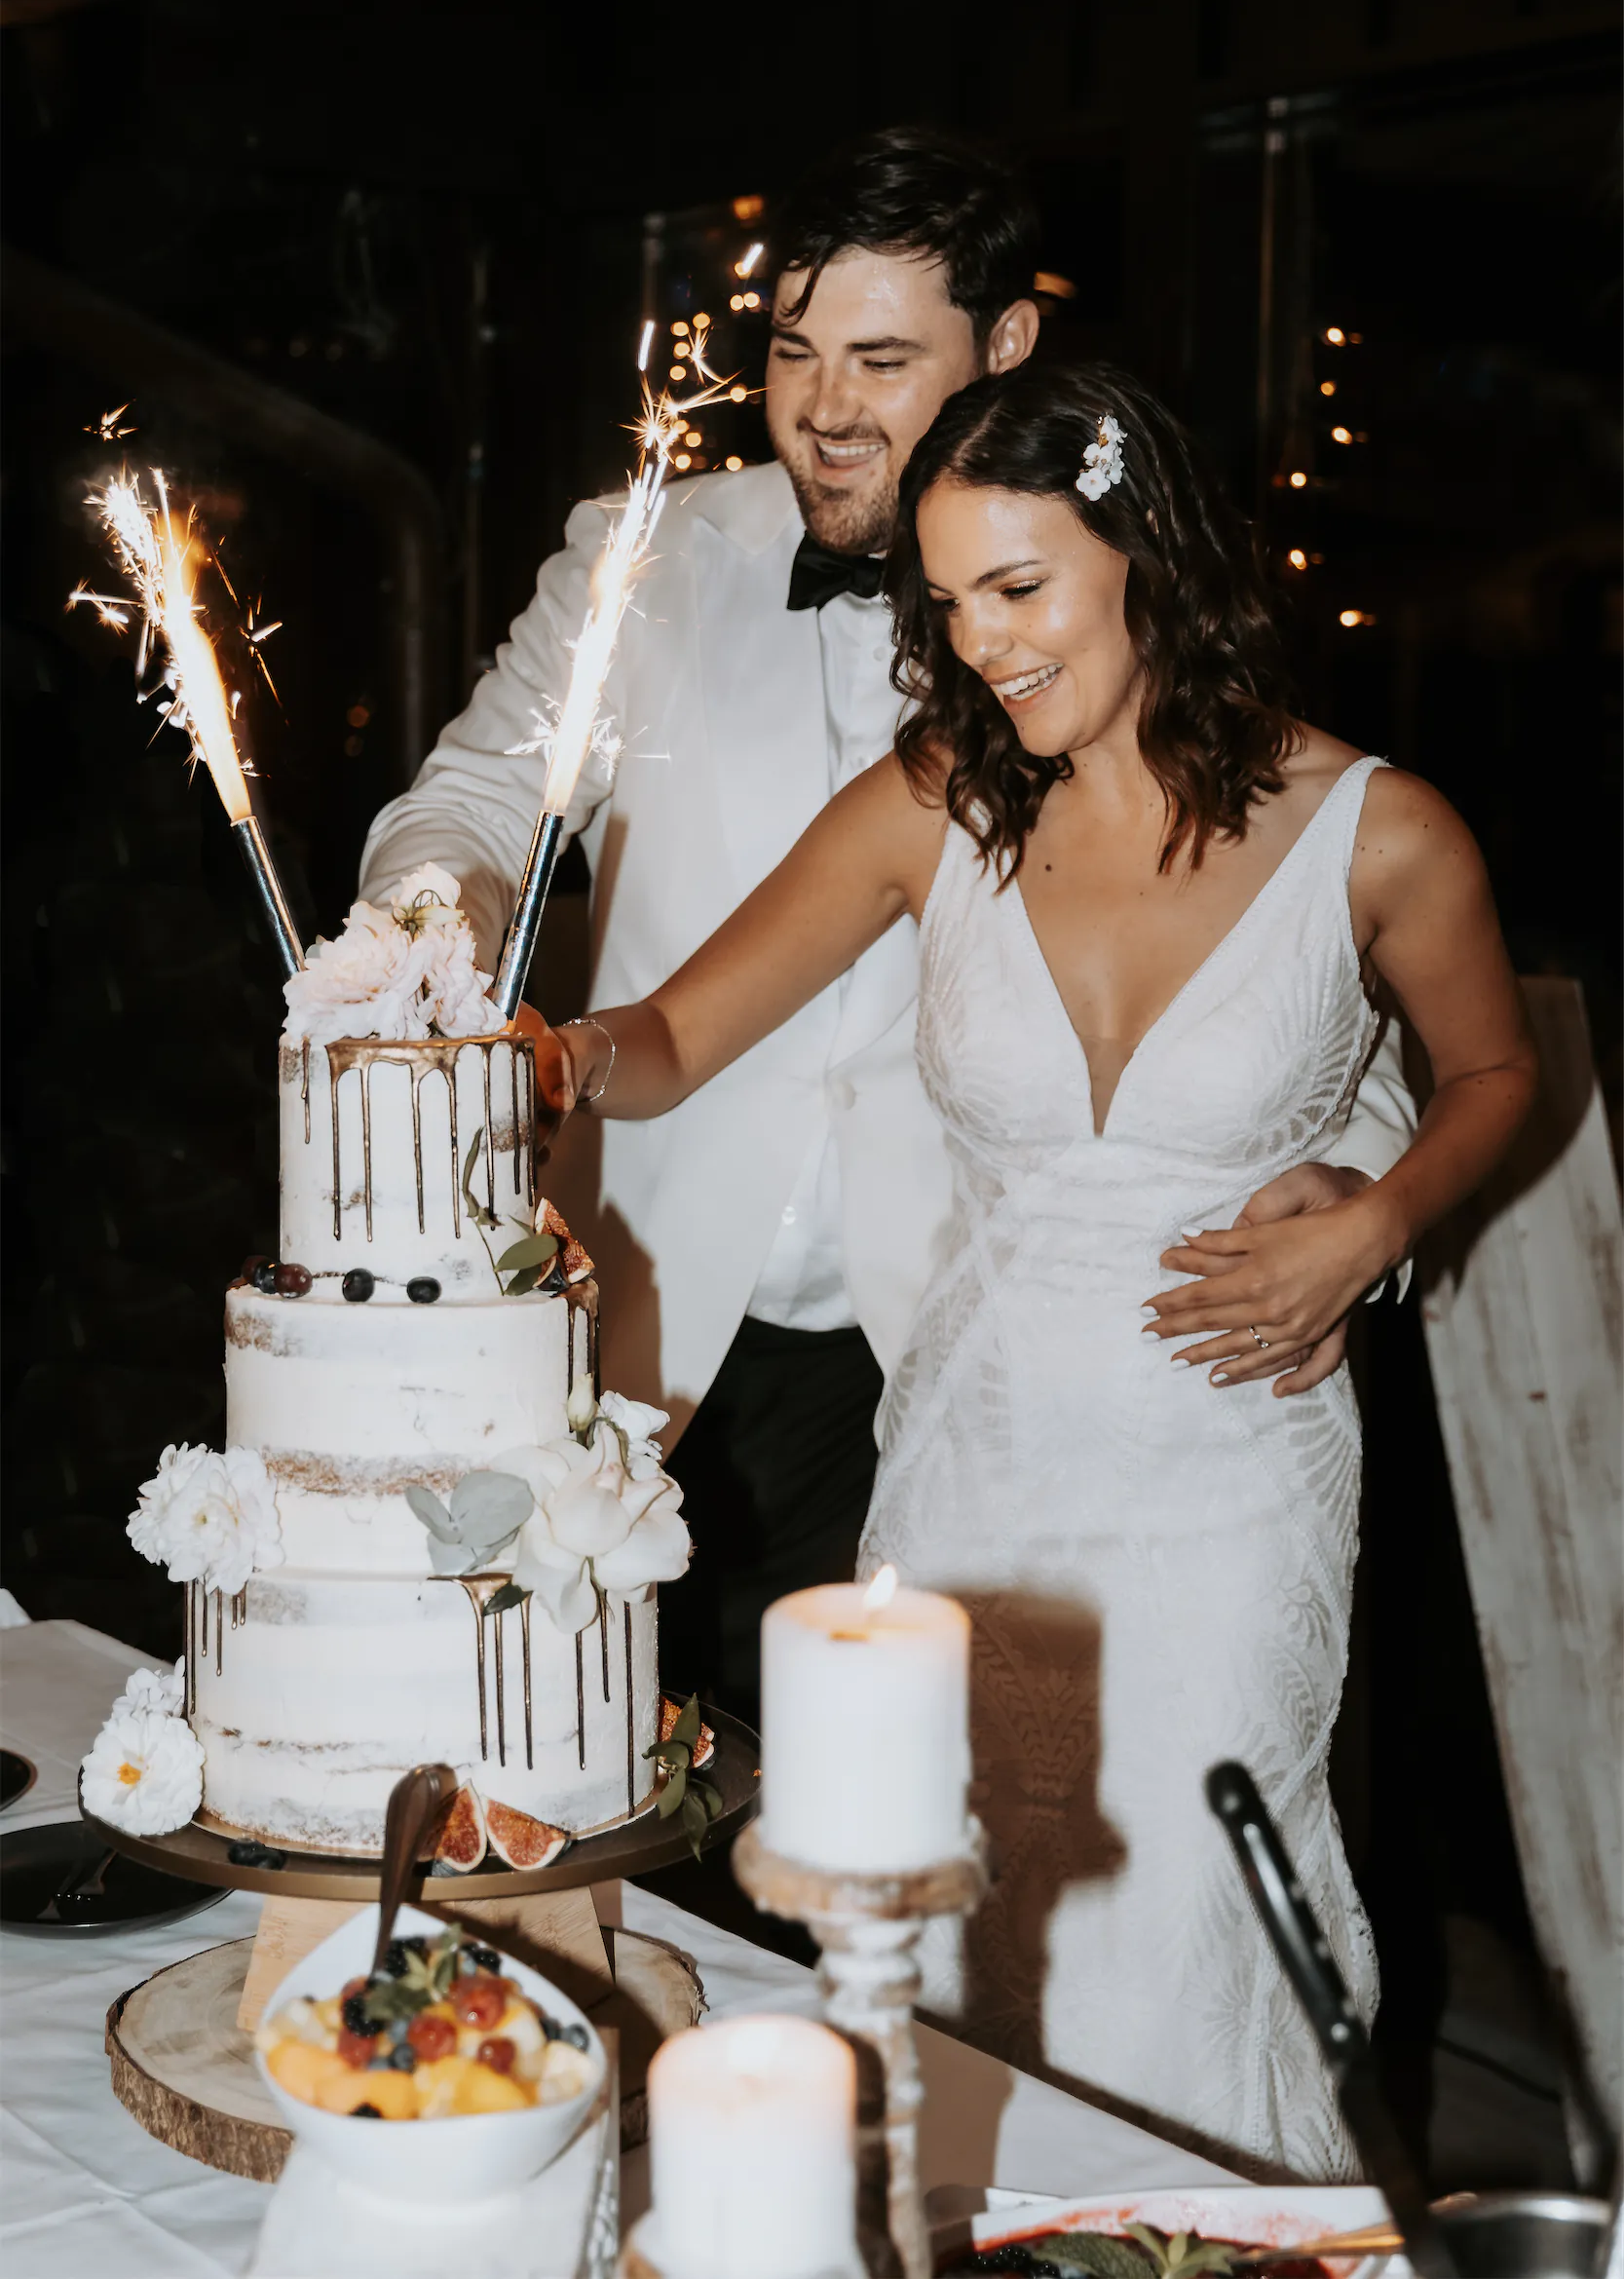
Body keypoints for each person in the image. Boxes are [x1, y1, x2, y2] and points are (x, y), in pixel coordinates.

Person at [524, 361, 1537, 2175]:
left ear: (1145, 554)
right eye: (948, 601)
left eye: (1020, 588)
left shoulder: (1382, 832)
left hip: (1230, 1471)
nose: (980, 644)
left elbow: (1490, 1077)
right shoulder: (933, 801)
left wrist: (1383, 1224)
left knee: (1180, 1927)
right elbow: (675, 1033)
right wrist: (545, 1056)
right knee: (969, 1920)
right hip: (975, 1465)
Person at [360, 128, 1416, 1724]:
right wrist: (424, 933)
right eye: (790, 352)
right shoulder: (645, 554)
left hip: (967, 1344)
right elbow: (479, 796)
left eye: (878, 358)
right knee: (604, 1783)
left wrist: (1360, 1195)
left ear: (1004, 347)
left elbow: (1300, 944)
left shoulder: (1112, 610)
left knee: (911, 1821)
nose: (822, 409)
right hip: (651, 1311)